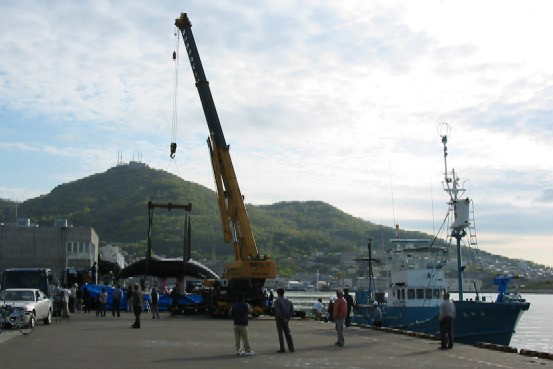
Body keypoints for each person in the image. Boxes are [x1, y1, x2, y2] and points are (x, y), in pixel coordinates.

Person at [273, 288, 295, 353]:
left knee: (280, 334)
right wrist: (287, 319)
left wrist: (282, 318)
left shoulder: (276, 301)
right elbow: (292, 311)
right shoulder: (289, 301)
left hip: (279, 320)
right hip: (286, 319)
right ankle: (291, 348)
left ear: (278, 293)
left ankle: (282, 348)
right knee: (288, 334)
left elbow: (277, 312)